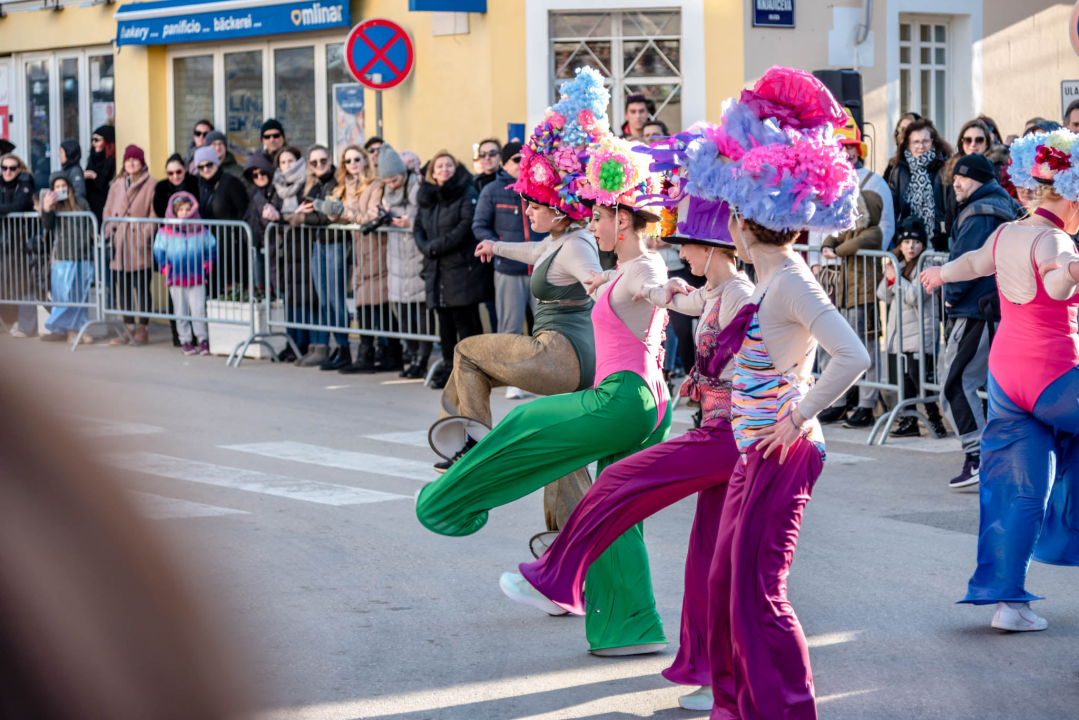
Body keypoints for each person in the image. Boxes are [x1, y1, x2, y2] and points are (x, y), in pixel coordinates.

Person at [417, 127, 675, 658]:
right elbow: (565, 256)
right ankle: (629, 627)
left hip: (624, 399)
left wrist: (665, 291)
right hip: (642, 399)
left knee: (523, 425)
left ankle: (459, 502)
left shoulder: (631, 264)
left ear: (621, 219)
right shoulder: (611, 257)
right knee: (611, 510)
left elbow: (642, 284)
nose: (591, 221)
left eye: (599, 214)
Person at [503, 191, 753, 711]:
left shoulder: (742, 294)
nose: (682, 252)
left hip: (736, 438)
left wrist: (794, 413)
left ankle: (556, 576)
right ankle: (712, 677)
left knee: (617, 487)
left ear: (716, 247)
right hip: (716, 431)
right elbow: (672, 297)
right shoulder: (712, 290)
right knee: (707, 562)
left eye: (691, 246)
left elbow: (663, 293)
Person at [424, 67, 606, 548]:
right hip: (577, 364)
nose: (527, 211)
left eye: (534, 205)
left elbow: (590, 275)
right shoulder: (561, 240)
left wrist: (604, 282)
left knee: (466, 353)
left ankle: (472, 444)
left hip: (559, 354)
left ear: (560, 206)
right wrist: (497, 248)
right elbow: (537, 255)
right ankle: (565, 547)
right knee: (559, 458)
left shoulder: (577, 245)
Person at [921, 128, 1079, 633]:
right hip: (1060, 379)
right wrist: (1071, 269)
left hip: (1009, 379)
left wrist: (940, 275)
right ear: (1071, 195)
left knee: (1019, 491)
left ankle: (1009, 606)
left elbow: (972, 263)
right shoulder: (1056, 238)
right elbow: (1056, 280)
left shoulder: (1009, 231)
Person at [938, 152, 1022, 489]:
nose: (955, 182)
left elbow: (968, 263)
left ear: (979, 179)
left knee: (955, 384)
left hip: (976, 311)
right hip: (994, 310)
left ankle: (978, 458)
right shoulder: (997, 205)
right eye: (954, 176)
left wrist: (949, 292)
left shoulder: (979, 212)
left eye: (962, 176)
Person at [470, 140, 547, 398]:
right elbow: (479, 225)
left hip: (542, 270)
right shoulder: (492, 190)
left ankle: (546, 377)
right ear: (504, 163)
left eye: (525, 159)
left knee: (547, 328)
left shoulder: (540, 185)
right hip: (508, 271)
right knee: (510, 328)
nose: (522, 164)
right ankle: (514, 380)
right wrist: (499, 247)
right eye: (516, 160)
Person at [413, 150, 485, 389]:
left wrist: (435, 247)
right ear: (432, 173)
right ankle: (448, 367)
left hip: (460, 267)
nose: (444, 170)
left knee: (464, 320)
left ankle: (471, 370)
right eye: (439, 167)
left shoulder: (466, 191)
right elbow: (418, 228)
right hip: (436, 268)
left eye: (448, 165)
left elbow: (466, 226)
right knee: (444, 322)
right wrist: (427, 248)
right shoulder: (427, 196)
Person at [817, 188, 885, 429]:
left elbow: (851, 245)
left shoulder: (874, 232)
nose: (854, 213)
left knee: (868, 352)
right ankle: (838, 403)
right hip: (844, 298)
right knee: (839, 350)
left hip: (863, 299)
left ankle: (866, 405)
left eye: (859, 209)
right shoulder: (849, 229)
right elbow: (832, 236)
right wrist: (828, 245)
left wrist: (834, 251)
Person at [877, 217, 946, 438]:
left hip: (920, 334)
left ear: (923, 245)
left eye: (915, 242)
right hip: (901, 333)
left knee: (921, 380)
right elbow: (882, 295)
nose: (910, 247)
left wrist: (896, 278)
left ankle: (936, 421)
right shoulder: (899, 263)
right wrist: (890, 279)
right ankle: (909, 421)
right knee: (904, 380)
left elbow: (915, 296)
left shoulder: (927, 265)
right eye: (906, 242)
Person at [328, 146, 388, 374]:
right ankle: (370, 353)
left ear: (365, 161)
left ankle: (377, 352)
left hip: (375, 247)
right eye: (347, 160)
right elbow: (337, 217)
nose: (352, 163)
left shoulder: (375, 185)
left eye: (356, 159)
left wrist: (344, 212)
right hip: (357, 251)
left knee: (375, 303)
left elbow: (370, 218)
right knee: (364, 303)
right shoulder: (344, 187)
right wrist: (332, 209)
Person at [295, 145, 350, 371]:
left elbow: (330, 219)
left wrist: (304, 219)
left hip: (335, 244)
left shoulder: (338, 183)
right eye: (314, 162)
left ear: (330, 160)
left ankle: (344, 347)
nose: (319, 165)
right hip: (319, 245)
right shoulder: (312, 184)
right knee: (325, 300)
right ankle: (337, 345)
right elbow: (309, 210)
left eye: (323, 161)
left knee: (336, 299)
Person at [378, 144, 429, 378]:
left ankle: (423, 357)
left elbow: (427, 216)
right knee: (403, 311)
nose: (391, 184)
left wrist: (412, 222)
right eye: (387, 181)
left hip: (417, 254)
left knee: (421, 311)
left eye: (395, 179)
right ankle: (411, 354)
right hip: (397, 258)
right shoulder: (385, 192)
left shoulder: (418, 187)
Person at [102, 145, 157, 346]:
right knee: (122, 288)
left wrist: (145, 234)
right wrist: (109, 233)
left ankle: (143, 328)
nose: (131, 163)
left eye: (135, 160)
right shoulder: (116, 185)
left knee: (142, 287)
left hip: (138, 243)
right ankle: (127, 327)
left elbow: (154, 212)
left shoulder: (151, 184)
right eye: (128, 160)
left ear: (142, 163)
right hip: (119, 243)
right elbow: (107, 210)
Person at [152, 192, 216, 356]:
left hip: (197, 276)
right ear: (174, 211)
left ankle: (202, 339)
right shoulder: (165, 231)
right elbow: (159, 250)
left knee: (199, 309)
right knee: (180, 311)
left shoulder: (201, 229)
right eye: (180, 210)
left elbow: (211, 247)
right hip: (176, 277)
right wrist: (165, 268)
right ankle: (185, 340)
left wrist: (207, 265)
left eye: (188, 209)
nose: (185, 213)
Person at [270, 146, 318, 365]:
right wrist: (278, 216)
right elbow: (280, 214)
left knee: (306, 296)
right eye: (282, 162)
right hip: (287, 247)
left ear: (299, 161)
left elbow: (307, 212)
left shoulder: (307, 183)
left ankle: (304, 343)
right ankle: (292, 342)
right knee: (290, 296)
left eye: (290, 161)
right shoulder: (278, 185)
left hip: (306, 245)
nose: (286, 166)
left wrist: (285, 217)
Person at [37, 172, 95, 345]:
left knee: (81, 296)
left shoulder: (80, 202)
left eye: (64, 186)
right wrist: (46, 207)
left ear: (69, 187)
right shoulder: (54, 205)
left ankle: (80, 327)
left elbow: (90, 222)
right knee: (65, 296)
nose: (61, 189)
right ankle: (69, 330)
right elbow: (47, 226)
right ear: (52, 189)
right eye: (57, 187)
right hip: (64, 256)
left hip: (83, 255)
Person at [887, 117, 951, 250]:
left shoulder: (945, 168)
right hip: (907, 243)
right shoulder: (899, 170)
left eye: (925, 141)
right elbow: (892, 208)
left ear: (933, 143)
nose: (921, 146)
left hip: (937, 242)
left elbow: (949, 208)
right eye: (916, 142)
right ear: (908, 144)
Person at [194, 145, 249, 297]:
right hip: (206, 246)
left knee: (230, 289)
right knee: (211, 289)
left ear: (216, 163)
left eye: (209, 164)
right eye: (201, 166)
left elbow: (244, 211)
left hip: (230, 248)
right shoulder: (198, 185)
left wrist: (237, 238)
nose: (205, 169)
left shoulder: (231, 183)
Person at [836, 107, 894, 248]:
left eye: (850, 146)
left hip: (860, 265)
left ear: (858, 149)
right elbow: (817, 225)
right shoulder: (824, 182)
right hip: (828, 265)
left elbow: (886, 225)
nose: (845, 152)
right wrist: (815, 263)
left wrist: (873, 256)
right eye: (840, 146)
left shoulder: (876, 183)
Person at [0, 153, 37, 337]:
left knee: (24, 284)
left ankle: (27, 326)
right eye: (4, 168)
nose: (8, 172)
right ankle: (7, 323)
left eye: (12, 168)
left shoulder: (25, 181)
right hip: (4, 243)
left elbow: (19, 205)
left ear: (19, 169)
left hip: (22, 242)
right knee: (5, 283)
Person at [940, 119, 993, 234]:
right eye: (968, 140)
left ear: (987, 143)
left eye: (979, 140)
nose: (973, 144)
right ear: (961, 142)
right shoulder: (950, 168)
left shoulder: (998, 169)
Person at [242, 151, 278, 301]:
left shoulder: (277, 190)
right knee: (261, 290)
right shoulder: (254, 192)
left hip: (275, 248)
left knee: (277, 289)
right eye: (255, 175)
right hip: (258, 247)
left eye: (262, 172)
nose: (259, 177)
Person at [83, 125, 116, 223]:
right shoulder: (92, 158)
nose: (93, 143)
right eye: (92, 139)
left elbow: (109, 188)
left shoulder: (112, 162)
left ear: (107, 142)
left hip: (105, 208)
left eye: (97, 140)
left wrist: (94, 176)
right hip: (90, 208)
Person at [153, 153, 200, 219]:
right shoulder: (161, 187)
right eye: (170, 173)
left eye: (178, 172)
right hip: (168, 227)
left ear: (185, 169)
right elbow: (159, 211)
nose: (175, 176)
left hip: (193, 226)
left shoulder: (195, 183)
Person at [883, 112, 921, 186]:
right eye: (902, 130)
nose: (904, 134)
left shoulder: (932, 164)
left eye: (909, 130)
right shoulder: (893, 165)